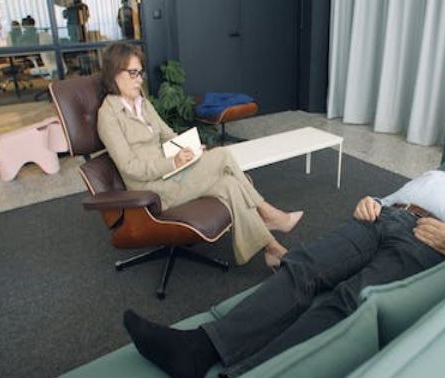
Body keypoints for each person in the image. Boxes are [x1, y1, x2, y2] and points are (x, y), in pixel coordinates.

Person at [122, 128, 445, 378]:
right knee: (303, 267)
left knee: (349, 301)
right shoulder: (439, 176)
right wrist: (373, 201)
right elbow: (394, 197)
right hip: (381, 218)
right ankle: (199, 348)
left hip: (426, 241)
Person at [97, 43, 302, 269]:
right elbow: (129, 166)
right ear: (114, 73)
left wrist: (190, 147)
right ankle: (269, 213)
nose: (139, 80)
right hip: (152, 190)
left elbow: (168, 135)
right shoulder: (108, 116)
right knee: (222, 155)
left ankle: (272, 248)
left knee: (230, 184)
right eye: (133, 73)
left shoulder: (141, 103)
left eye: (140, 73)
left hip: (172, 176)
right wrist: (172, 163)